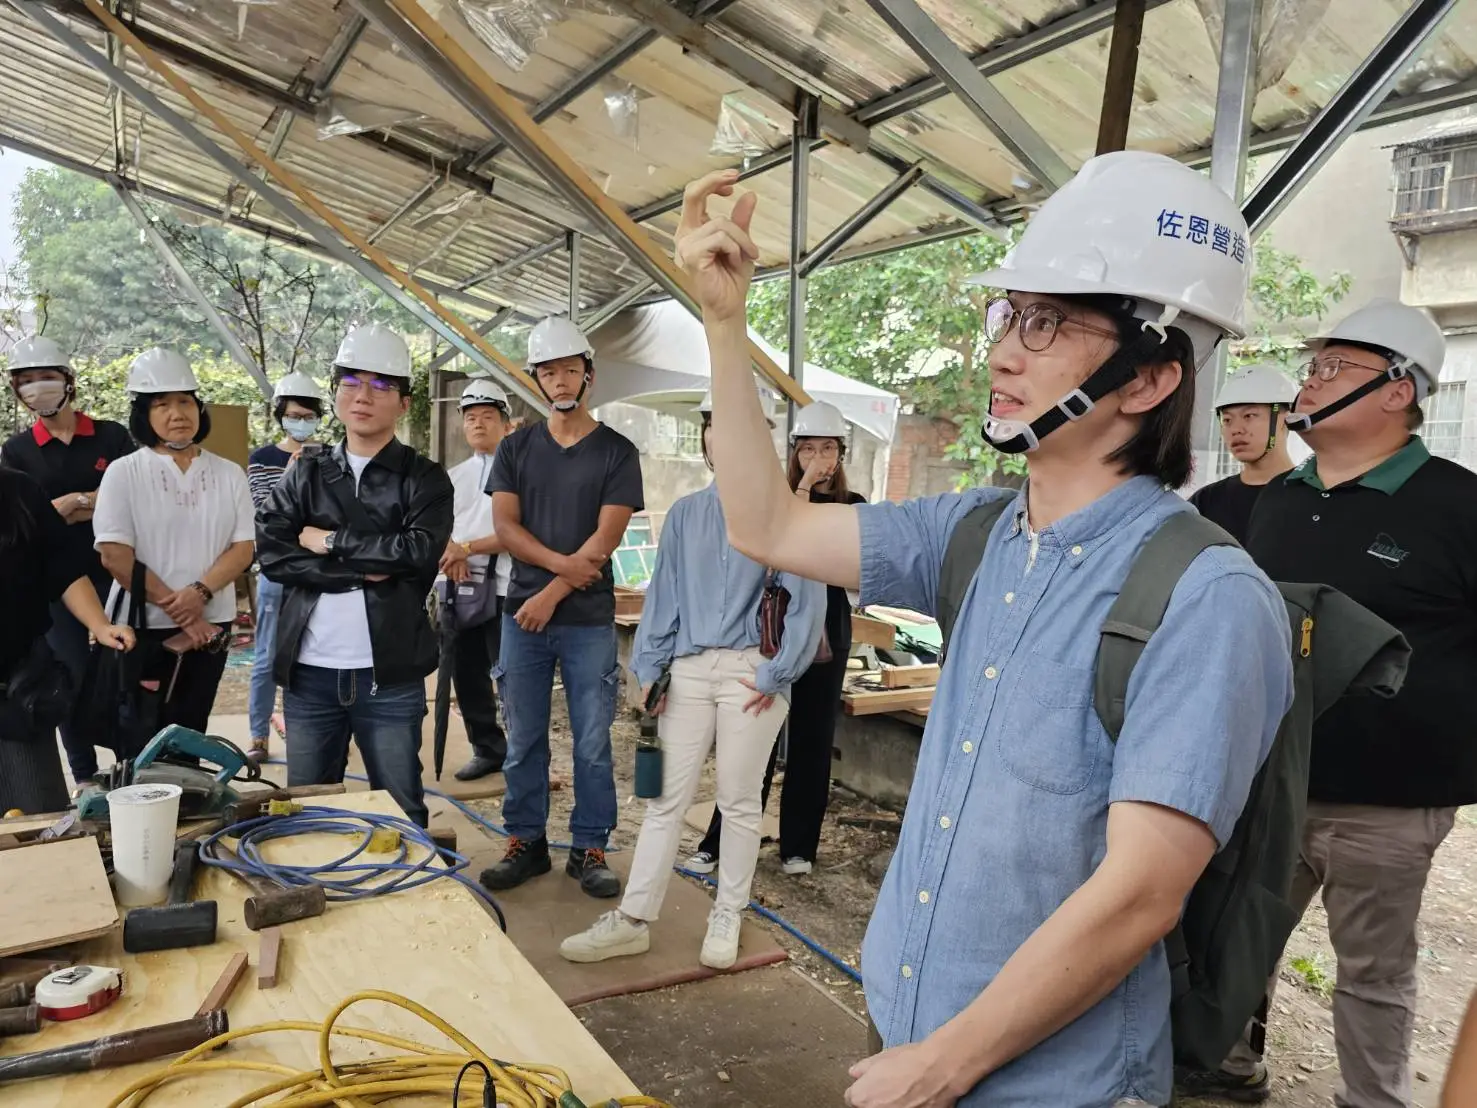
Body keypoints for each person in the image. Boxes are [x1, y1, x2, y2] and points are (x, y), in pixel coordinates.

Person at [676, 151, 1293, 1108]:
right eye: (1008, 317)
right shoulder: (976, 530)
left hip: (1049, 1082)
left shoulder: (1206, 596)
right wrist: (725, 323)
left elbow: (1139, 895)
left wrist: (947, 1063)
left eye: (1046, 324)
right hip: (911, 1023)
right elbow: (768, 525)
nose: (1003, 352)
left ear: (1147, 378)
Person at [1216, 298, 1477, 1108]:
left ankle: (1373, 1099)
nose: (1310, 380)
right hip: (1273, 784)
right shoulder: (1280, 501)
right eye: (1312, 365)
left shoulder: (1457, 505)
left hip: (1391, 803)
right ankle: (1221, 1066)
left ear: (1398, 391)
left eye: (1334, 366)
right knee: (1236, 940)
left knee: (1372, 971)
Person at [559, 391, 824, 969]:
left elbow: (807, 601)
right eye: (712, 427)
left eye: (734, 429)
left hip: (753, 673)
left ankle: (729, 911)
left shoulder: (783, 514)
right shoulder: (686, 514)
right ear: (705, 438)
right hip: (690, 668)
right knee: (662, 801)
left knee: (737, 800)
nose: (720, 439)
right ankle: (632, 919)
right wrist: (648, 668)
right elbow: (666, 597)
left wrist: (776, 674)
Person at [256, 323, 453, 829]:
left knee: (402, 810)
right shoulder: (307, 471)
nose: (363, 396)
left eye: (381, 385)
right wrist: (364, 570)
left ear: (404, 402)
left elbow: (417, 554)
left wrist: (329, 541)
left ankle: (408, 898)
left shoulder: (424, 477)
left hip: (388, 675)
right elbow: (273, 553)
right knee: (307, 808)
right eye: (351, 383)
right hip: (308, 674)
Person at [478, 316, 644, 900]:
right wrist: (559, 571)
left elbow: (605, 540)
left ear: (588, 376)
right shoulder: (516, 448)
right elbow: (504, 525)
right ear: (537, 381)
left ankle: (590, 848)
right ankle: (526, 842)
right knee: (523, 737)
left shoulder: (618, 452)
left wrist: (551, 590)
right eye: (549, 371)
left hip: (583, 621)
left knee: (593, 741)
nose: (560, 380)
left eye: (570, 368)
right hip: (522, 620)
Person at [692, 398, 865, 877]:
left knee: (812, 741)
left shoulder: (855, 507)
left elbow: (851, 573)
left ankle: (798, 847)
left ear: (842, 453)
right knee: (752, 742)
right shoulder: (777, 500)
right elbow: (777, 554)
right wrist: (804, 489)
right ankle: (719, 840)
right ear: (792, 452)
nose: (817, 457)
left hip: (827, 636)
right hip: (775, 635)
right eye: (807, 448)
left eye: (827, 447)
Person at [91, 348, 255, 747]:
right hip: (141, 629)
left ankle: (189, 807)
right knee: (140, 737)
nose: (177, 413)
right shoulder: (124, 472)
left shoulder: (228, 472)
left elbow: (243, 547)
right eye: (161, 405)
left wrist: (198, 596)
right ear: (143, 415)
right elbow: (115, 555)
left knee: (191, 732)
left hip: (210, 626)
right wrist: (181, 611)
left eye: (185, 401)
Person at [2, 336, 134, 782]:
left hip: (119, 576)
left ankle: (131, 769)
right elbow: (37, 525)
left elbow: (128, 497)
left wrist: (72, 501)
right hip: (57, 590)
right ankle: (84, 775)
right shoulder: (17, 452)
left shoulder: (111, 435)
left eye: (47, 377)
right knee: (69, 681)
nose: (38, 388)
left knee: (123, 679)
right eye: (26, 381)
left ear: (68, 382)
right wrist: (90, 503)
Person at [0, 466, 135, 812]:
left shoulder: (19, 490)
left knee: (36, 815)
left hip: (17, 684)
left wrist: (101, 625)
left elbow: (63, 570)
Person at [245, 371, 326, 767]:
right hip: (278, 572)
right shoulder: (262, 460)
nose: (301, 421)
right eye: (294, 414)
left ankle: (313, 729)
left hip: (318, 573)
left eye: (308, 415)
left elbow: (333, 512)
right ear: (281, 415)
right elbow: (265, 512)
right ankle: (259, 734)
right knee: (266, 656)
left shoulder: (329, 456)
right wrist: (294, 474)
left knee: (314, 655)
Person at [438, 378, 514, 782]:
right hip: (460, 587)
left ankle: (522, 751)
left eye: (487, 417)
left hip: (507, 588)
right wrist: (452, 553)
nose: (479, 424)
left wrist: (467, 548)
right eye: (471, 418)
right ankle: (487, 747)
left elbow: (519, 533)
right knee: (466, 674)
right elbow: (438, 528)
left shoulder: (520, 472)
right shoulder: (452, 476)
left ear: (507, 424)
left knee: (512, 674)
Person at [1188, 363, 1298, 542]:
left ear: (1286, 418)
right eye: (1227, 420)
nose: (1236, 429)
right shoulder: (1205, 502)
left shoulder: (1311, 498)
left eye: (1249, 416)